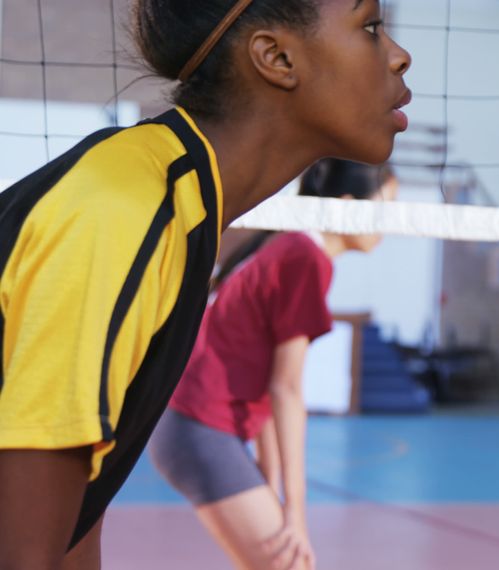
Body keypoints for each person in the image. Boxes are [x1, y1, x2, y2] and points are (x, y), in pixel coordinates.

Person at [0, 2, 411, 568]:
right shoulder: (124, 207)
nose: (399, 54)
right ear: (276, 57)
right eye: (369, 27)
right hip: (205, 429)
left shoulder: (183, 209)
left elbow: (73, 524)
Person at [149, 160, 396, 570]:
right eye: (385, 206)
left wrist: (271, 480)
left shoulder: (289, 243)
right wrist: (295, 512)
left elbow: (264, 381)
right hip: (199, 428)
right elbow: (286, 389)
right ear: (349, 206)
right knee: (291, 564)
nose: (393, 222)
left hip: (190, 426)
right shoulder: (305, 258)